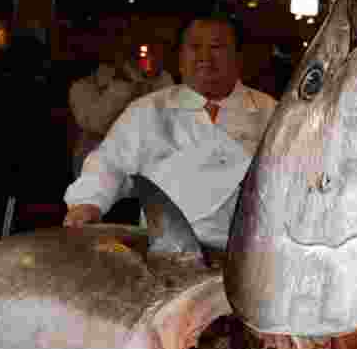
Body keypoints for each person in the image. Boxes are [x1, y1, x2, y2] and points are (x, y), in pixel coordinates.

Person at [63, 13, 277, 250]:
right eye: (195, 47)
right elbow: (109, 163)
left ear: (238, 57)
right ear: (180, 58)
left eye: (217, 47)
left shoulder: (271, 112)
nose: (205, 57)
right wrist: (88, 203)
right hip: (165, 253)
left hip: (247, 256)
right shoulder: (148, 110)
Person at [68, 47, 174, 178]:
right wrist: (123, 82)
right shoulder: (83, 87)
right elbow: (97, 123)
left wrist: (157, 78)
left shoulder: (152, 79)